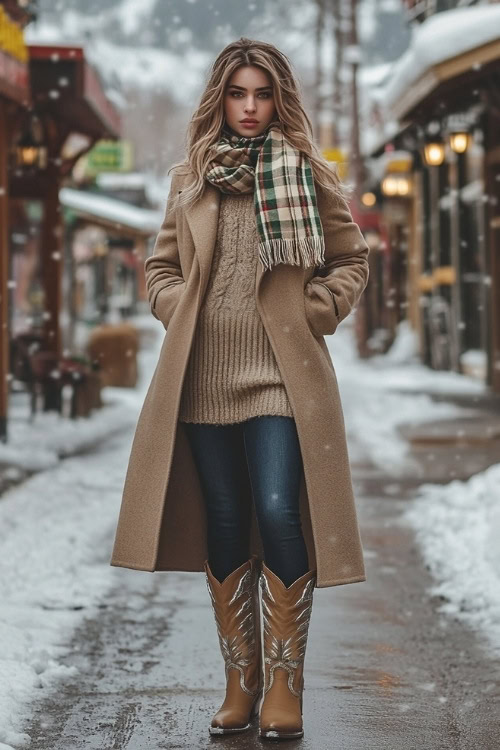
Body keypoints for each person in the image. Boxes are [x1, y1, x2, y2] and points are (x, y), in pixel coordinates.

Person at [110, 36, 370, 741]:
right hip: (202, 378)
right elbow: (160, 266)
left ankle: (285, 685)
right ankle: (241, 682)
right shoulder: (190, 179)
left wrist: (316, 310)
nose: (249, 108)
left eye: (261, 94)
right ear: (219, 99)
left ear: (277, 98)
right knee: (225, 519)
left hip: (281, 378)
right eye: (237, 93)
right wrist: (176, 308)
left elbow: (351, 259)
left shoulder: (307, 174)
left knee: (282, 508)